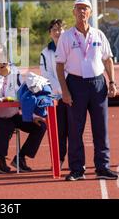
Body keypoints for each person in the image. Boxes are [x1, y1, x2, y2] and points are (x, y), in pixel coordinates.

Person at [55, 0, 118, 181]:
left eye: (86, 9)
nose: (82, 12)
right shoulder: (67, 36)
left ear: (90, 13)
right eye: (79, 9)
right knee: (75, 129)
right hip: (75, 84)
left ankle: (103, 167)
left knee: (101, 128)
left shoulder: (98, 34)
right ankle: (77, 169)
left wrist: (112, 82)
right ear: (73, 12)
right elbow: (59, 66)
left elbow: (108, 60)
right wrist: (65, 91)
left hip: (98, 84)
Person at [0, 44, 47, 173]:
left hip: (12, 114)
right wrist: (0, 75)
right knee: (7, 125)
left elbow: (22, 96)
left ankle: (20, 158)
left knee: (40, 126)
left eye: (1, 55)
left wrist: (32, 116)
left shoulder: (15, 71)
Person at [40, 19, 68, 168]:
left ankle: (78, 161)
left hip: (74, 94)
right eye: (54, 30)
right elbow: (47, 75)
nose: (57, 32)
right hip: (57, 98)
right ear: (50, 33)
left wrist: (69, 90)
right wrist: (62, 91)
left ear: (65, 31)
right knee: (61, 129)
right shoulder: (45, 53)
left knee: (75, 130)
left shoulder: (71, 48)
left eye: (60, 29)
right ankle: (60, 159)